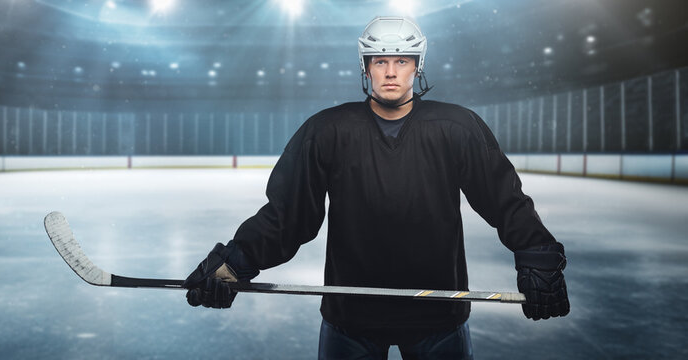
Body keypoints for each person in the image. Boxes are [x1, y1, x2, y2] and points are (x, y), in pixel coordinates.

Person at [182, 16, 569, 359]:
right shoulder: (327, 130)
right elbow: (288, 215)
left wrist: (538, 256)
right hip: (350, 318)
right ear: (365, 67)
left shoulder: (457, 127)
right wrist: (235, 262)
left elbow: (504, 199)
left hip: (438, 315)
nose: (390, 71)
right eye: (380, 60)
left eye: (402, 61)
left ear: (417, 67)